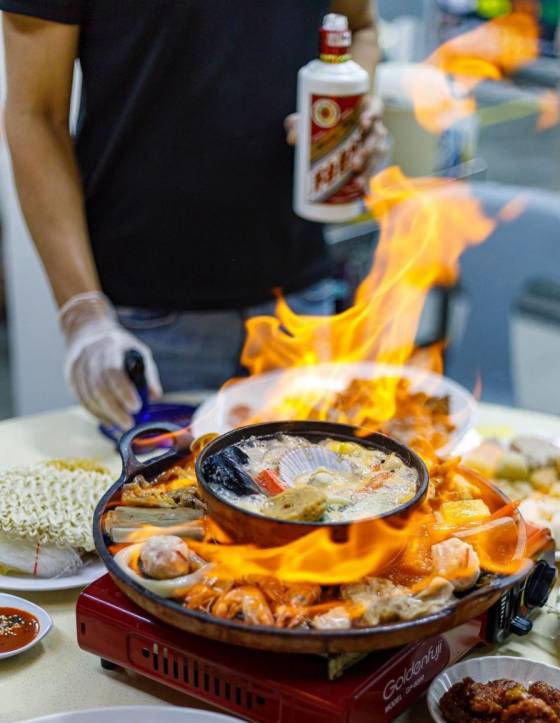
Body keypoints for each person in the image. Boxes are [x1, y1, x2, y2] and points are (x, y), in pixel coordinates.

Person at [1, 0, 387, 430]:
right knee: (155, 496)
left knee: (321, 490)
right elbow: (35, 114)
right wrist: (82, 312)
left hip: (300, 302)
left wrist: (352, 106)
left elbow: (360, 27)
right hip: (148, 321)